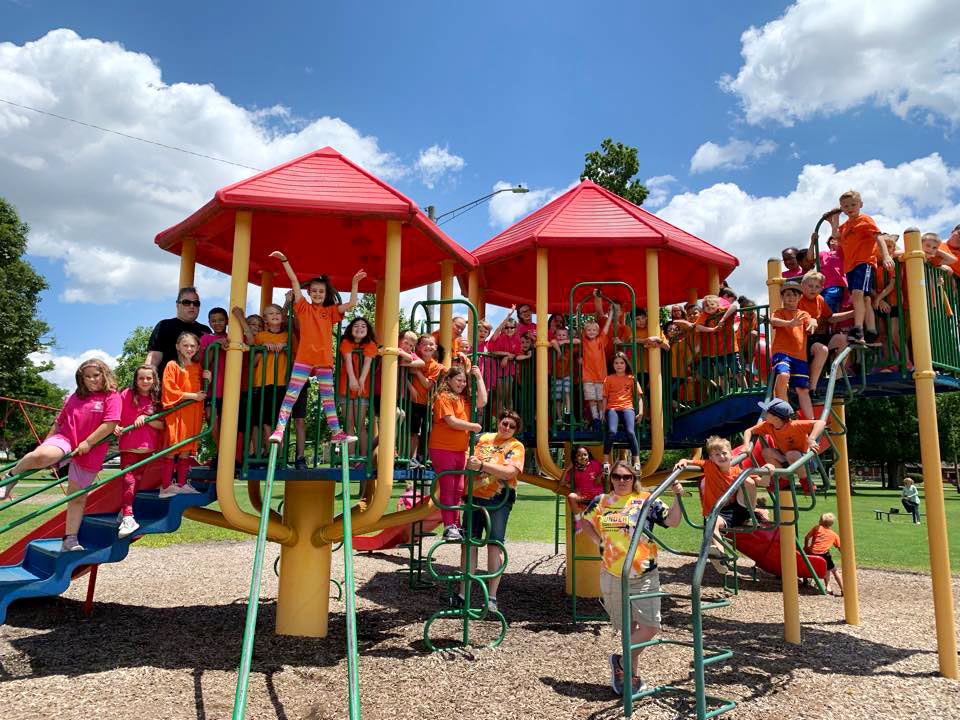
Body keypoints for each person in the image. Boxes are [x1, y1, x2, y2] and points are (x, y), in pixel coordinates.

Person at [580, 462, 684, 696]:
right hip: (612, 572)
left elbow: (672, 521)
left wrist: (678, 496)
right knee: (628, 628)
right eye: (617, 476)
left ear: (634, 478)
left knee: (650, 627)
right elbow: (585, 520)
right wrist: (598, 541)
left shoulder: (647, 499)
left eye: (626, 477)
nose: (621, 480)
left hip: (643, 572)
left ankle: (620, 661)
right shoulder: (601, 501)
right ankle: (630, 677)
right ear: (611, 478)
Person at [0, 359, 120, 552]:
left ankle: (70, 539)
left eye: (96, 376)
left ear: (104, 374)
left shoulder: (111, 396)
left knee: (77, 496)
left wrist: (88, 442)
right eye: (87, 377)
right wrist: (46, 443)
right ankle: (10, 478)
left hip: (91, 448)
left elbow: (110, 423)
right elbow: (58, 423)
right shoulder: (75, 397)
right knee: (41, 455)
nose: (92, 380)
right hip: (65, 439)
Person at [266, 251, 365, 445]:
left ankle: (336, 432)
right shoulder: (303, 307)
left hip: (323, 361)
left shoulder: (329, 312)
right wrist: (285, 261)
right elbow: (294, 282)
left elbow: (352, 303)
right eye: (314, 291)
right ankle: (279, 430)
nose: (318, 294)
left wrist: (355, 283)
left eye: (321, 291)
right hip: (303, 359)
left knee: (328, 399)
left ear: (326, 294)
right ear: (309, 293)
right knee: (291, 396)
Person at [455, 410, 525, 614]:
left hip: (499, 499)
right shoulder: (481, 439)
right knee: (469, 543)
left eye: (512, 426)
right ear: (499, 422)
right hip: (474, 496)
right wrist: (476, 465)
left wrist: (483, 465)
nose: (507, 428)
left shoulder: (515, 446)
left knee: (494, 545)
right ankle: (463, 594)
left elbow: (511, 471)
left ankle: (492, 597)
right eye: (505, 423)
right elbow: (468, 459)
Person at [674, 436, 767, 572]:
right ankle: (721, 556)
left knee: (749, 481)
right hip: (717, 512)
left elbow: (764, 482)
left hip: (737, 510)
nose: (722, 457)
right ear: (711, 458)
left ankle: (750, 514)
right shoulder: (709, 466)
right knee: (712, 524)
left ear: (731, 454)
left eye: (724, 453)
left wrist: (768, 469)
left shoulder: (738, 472)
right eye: (717, 455)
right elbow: (690, 461)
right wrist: (682, 461)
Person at [823, 193, 895, 343]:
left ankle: (858, 330)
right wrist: (834, 220)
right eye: (846, 206)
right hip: (850, 266)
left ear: (860, 205)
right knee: (865, 299)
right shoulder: (847, 225)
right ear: (842, 208)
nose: (850, 208)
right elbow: (836, 236)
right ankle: (871, 330)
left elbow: (879, 236)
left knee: (857, 293)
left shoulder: (865, 220)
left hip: (864, 262)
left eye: (853, 205)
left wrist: (887, 255)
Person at [429, 364, 487, 541]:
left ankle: (456, 524)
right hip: (442, 448)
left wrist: (479, 378)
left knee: (459, 489)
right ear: (449, 380)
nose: (461, 384)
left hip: (460, 450)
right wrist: (473, 426)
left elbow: (483, 401)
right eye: (458, 380)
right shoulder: (443, 397)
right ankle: (449, 527)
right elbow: (451, 421)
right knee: (448, 487)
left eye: (463, 381)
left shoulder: (464, 399)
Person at [114, 365, 164, 539]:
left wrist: (147, 418)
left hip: (147, 446)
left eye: (149, 378)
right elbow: (114, 416)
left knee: (137, 480)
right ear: (136, 380)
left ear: (154, 380)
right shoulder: (126, 394)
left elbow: (163, 425)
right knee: (128, 480)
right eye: (141, 378)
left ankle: (126, 511)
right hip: (128, 445)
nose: (145, 381)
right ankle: (128, 516)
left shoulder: (156, 399)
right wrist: (116, 427)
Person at [741, 398, 826, 493]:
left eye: (767, 412)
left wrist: (812, 438)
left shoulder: (795, 425)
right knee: (767, 452)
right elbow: (748, 431)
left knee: (791, 454)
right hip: (787, 458)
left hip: (806, 462)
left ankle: (806, 482)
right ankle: (785, 480)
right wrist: (746, 445)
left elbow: (821, 423)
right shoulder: (768, 426)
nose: (764, 413)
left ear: (776, 418)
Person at [160, 332, 208, 498]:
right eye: (185, 345)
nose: (189, 348)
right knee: (172, 449)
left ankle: (181, 484)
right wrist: (193, 396)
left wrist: (207, 377)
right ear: (177, 347)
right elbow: (169, 390)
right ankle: (166, 486)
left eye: (192, 346)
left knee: (186, 450)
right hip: (177, 412)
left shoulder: (197, 367)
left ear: (197, 348)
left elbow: (202, 389)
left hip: (192, 413)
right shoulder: (172, 365)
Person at [770, 281, 817, 420]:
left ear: (799, 298)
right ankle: (785, 412)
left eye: (794, 295)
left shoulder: (803, 314)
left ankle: (811, 421)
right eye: (788, 295)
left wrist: (813, 322)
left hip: (800, 357)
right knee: (783, 376)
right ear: (782, 298)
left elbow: (811, 324)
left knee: (802, 389)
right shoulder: (779, 312)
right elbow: (773, 321)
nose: (791, 298)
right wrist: (789, 323)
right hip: (782, 353)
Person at [798, 271, 850, 391]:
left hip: (817, 337)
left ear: (821, 288)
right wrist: (810, 320)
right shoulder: (799, 299)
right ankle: (812, 388)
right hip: (803, 340)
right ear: (802, 286)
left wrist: (852, 314)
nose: (813, 289)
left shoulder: (819, 299)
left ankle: (836, 379)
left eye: (817, 287)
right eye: (810, 286)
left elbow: (830, 317)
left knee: (844, 339)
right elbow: (800, 317)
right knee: (822, 349)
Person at [145, 287, 212, 373]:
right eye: (186, 302)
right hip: (167, 384)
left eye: (196, 303)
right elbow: (153, 358)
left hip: (196, 384)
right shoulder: (164, 326)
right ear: (177, 305)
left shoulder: (205, 331)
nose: (192, 306)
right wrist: (146, 378)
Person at [338, 317, 378, 458]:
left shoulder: (371, 344)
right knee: (349, 425)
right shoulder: (346, 342)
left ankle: (362, 457)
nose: (359, 328)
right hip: (346, 388)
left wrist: (360, 380)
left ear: (367, 331)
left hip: (362, 390)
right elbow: (348, 360)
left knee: (360, 425)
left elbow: (367, 363)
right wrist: (353, 379)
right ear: (350, 328)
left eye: (363, 326)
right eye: (356, 325)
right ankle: (350, 457)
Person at [602, 352, 644, 474]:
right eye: (616, 363)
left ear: (626, 364)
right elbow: (605, 397)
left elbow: (640, 397)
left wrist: (640, 412)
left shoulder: (631, 378)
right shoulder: (608, 379)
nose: (619, 365)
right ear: (613, 365)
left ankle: (637, 462)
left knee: (630, 432)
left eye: (621, 362)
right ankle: (605, 461)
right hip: (613, 408)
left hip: (627, 408)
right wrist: (603, 412)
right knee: (611, 431)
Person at [409, 334, 444, 466]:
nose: (428, 347)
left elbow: (428, 384)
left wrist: (417, 372)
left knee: (422, 432)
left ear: (435, 348)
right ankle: (409, 457)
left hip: (424, 403)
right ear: (418, 346)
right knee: (411, 431)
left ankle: (419, 457)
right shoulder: (414, 358)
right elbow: (404, 371)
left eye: (431, 344)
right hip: (411, 400)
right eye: (424, 344)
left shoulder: (435, 366)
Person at [582, 301, 617, 431]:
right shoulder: (584, 341)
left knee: (601, 399)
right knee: (592, 398)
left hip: (601, 375)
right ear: (585, 332)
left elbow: (606, 329)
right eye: (589, 330)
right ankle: (596, 418)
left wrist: (611, 314)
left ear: (598, 331)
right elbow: (580, 326)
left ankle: (602, 418)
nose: (591, 332)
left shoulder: (600, 340)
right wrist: (578, 310)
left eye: (594, 330)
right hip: (588, 375)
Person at [199, 307, 228, 459]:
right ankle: (220, 451)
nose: (217, 323)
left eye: (221, 320)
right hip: (212, 388)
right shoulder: (206, 339)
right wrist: (215, 345)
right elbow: (205, 363)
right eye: (214, 320)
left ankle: (229, 453)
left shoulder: (233, 337)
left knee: (227, 422)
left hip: (230, 388)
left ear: (227, 321)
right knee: (212, 418)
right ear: (209, 322)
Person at [696, 294, 740, 388]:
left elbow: (734, 306)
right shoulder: (705, 315)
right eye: (706, 306)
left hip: (730, 348)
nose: (709, 307)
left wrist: (723, 318)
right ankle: (725, 394)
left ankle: (746, 390)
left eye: (712, 304)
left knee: (737, 371)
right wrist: (713, 329)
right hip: (717, 351)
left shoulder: (722, 310)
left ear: (717, 305)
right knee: (722, 374)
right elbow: (698, 326)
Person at [810, 222, 848, 313]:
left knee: (827, 310)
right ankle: (829, 327)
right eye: (836, 239)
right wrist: (812, 242)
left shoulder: (842, 252)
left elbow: (840, 237)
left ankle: (827, 326)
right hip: (823, 286)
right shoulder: (823, 254)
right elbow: (810, 258)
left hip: (836, 285)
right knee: (824, 310)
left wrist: (833, 222)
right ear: (831, 241)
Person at [559, 445, 605, 519]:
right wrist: (567, 469)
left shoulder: (595, 464)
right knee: (571, 496)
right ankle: (578, 519)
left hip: (596, 496)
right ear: (575, 458)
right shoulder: (573, 470)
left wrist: (601, 475)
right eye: (579, 455)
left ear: (588, 455)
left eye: (585, 455)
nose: (583, 457)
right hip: (583, 497)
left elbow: (598, 482)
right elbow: (561, 483)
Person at [803, 513, 843, 596]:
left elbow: (806, 538)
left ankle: (828, 588)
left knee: (826, 569)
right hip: (824, 555)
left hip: (812, 553)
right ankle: (843, 589)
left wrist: (806, 548)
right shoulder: (834, 535)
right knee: (834, 570)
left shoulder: (817, 528)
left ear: (821, 521)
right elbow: (840, 548)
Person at [549, 326, 579, 418]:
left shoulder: (568, 345)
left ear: (567, 336)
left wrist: (565, 341)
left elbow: (578, 341)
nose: (561, 336)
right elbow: (553, 341)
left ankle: (568, 413)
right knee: (557, 398)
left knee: (567, 392)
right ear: (555, 335)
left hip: (566, 374)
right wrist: (559, 352)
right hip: (556, 375)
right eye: (559, 335)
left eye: (563, 335)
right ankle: (559, 417)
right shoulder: (554, 344)